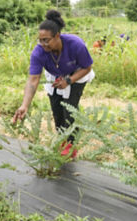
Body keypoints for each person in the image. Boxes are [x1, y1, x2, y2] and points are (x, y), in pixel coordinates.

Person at [13, 10, 94, 158]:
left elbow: (87, 67)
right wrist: (24, 105)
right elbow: (33, 79)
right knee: (57, 109)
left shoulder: (76, 44)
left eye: (46, 40)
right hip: (55, 75)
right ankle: (62, 140)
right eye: (40, 40)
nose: (43, 44)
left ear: (57, 36)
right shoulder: (39, 52)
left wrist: (69, 81)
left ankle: (71, 145)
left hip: (77, 74)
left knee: (69, 109)